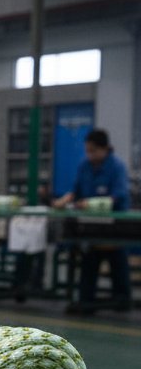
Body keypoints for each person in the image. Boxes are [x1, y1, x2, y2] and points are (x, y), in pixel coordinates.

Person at [54, 128, 131, 313]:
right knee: (89, 260)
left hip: (114, 227)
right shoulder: (85, 166)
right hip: (90, 227)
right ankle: (86, 301)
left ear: (105, 148)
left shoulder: (117, 167)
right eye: (87, 151)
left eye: (93, 151)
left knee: (117, 260)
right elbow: (76, 191)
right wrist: (65, 200)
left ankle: (122, 300)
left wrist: (90, 204)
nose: (90, 155)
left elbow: (118, 197)